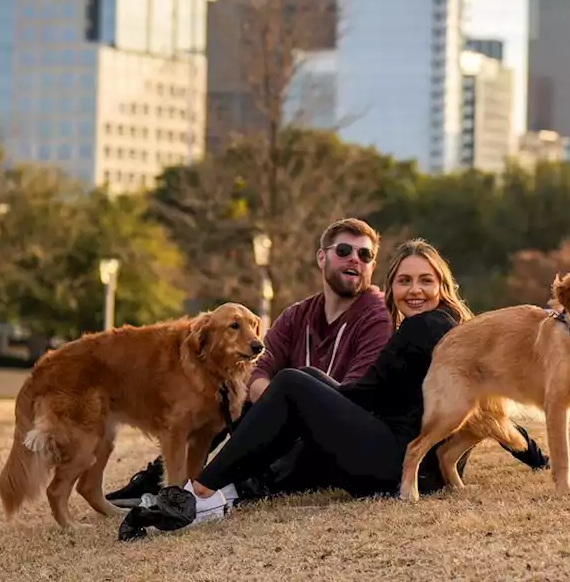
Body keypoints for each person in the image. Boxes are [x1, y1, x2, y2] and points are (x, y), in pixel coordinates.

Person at [118, 239, 548, 540]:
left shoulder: (427, 327)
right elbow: (493, 410)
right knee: (300, 383)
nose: (414, 291)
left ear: (442, 287)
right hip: (413, 463)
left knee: (291, 384)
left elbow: (367, 396)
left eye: (425, 281)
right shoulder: (450, 330)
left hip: (396, 465)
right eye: (404, 281)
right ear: (392, 288)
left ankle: (201, 494)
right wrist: (533, 455)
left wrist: (307, 393)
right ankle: (221, 490)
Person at [105, 217, 394, 507]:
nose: (355, 259)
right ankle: (160, 481)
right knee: (229, 397)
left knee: (291, 383)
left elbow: (353, 396)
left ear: (372, 265)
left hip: (333, 443)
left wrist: (284, 408)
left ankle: (211, 491)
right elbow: (260, 365)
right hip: (286, 431)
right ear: (322, 257)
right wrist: (272, 406)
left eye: (365, 255)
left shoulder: (376, 317)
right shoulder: (298, 314)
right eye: (344, 251)